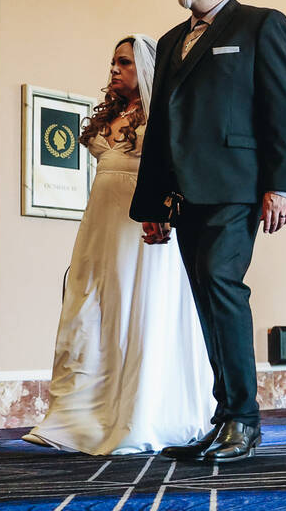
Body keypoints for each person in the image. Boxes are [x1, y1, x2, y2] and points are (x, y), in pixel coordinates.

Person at [130, 0, 286, 463]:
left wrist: (283, 184)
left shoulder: (260, 25)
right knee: (206, 295)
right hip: (184, 193)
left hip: (237, 186)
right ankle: (225, 415)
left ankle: (245, 420)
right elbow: (163, 127)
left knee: (222, 284)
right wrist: (154, 206)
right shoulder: (168, 42)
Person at [24, 35, 214, 454]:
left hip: (144, 227)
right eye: (112, 62)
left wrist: (164, 215)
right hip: (99, 226)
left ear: (144, 69)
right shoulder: (110, 114)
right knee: (93, 309)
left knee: (138, 308)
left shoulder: (161, 113)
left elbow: (176, 169)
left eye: (124, 62)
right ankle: (84, 413)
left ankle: (140, 412)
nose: (114, 69)